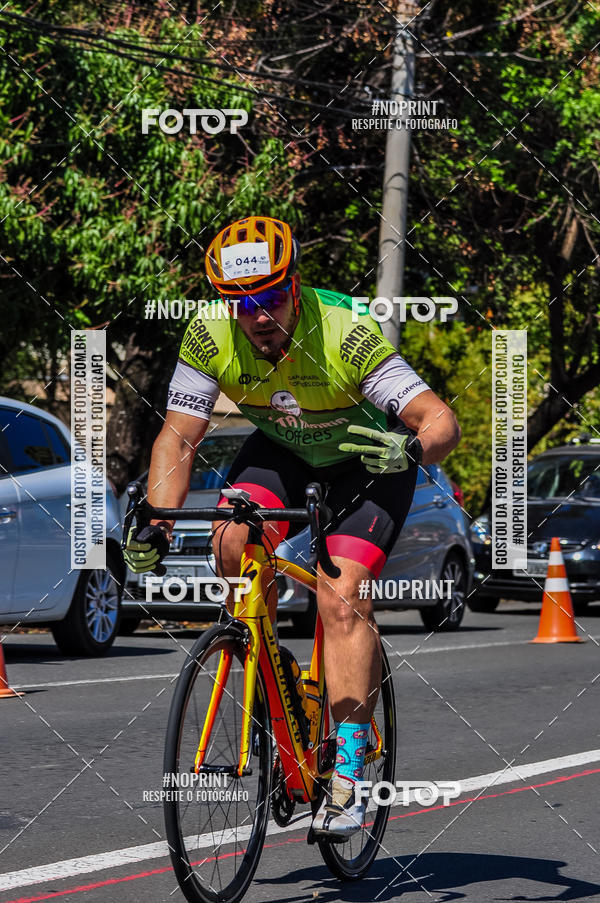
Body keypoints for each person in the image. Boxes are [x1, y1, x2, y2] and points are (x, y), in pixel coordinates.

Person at [124, 216, 461, 838]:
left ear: (295, 285)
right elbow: (179, 436)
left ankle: (352, 766)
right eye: (241, 302)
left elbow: (439, 421)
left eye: (270, 297)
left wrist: (411, 451)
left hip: (367, 461)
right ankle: (266, 665)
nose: (257, 315)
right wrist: (157, 523)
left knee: (341, 595)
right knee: (229, 537)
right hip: (284, 450)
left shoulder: (342, 332)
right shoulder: (208, 335)